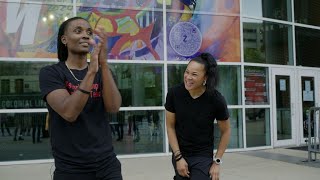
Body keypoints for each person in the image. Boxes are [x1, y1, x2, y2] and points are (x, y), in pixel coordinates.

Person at [39, 17, 122, 180]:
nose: (85, 35)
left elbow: (113, 107)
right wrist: (91, 72)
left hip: (107, 165)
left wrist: (103, 64)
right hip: (71, 169)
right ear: (64, 39)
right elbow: (69, 112)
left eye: (89, 32)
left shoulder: (103, 72)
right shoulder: (51, 73)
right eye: (78, 31)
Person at [165, 53, 231, 180]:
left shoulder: (216, 99)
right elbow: (170, 126)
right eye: (187, 72)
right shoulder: (174, 93)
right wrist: (178, 157)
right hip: (180, 153)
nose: (188, 77)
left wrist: (217, 162)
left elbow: (226, 131)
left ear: (205, 77)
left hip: (202, 156)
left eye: (194, 74)